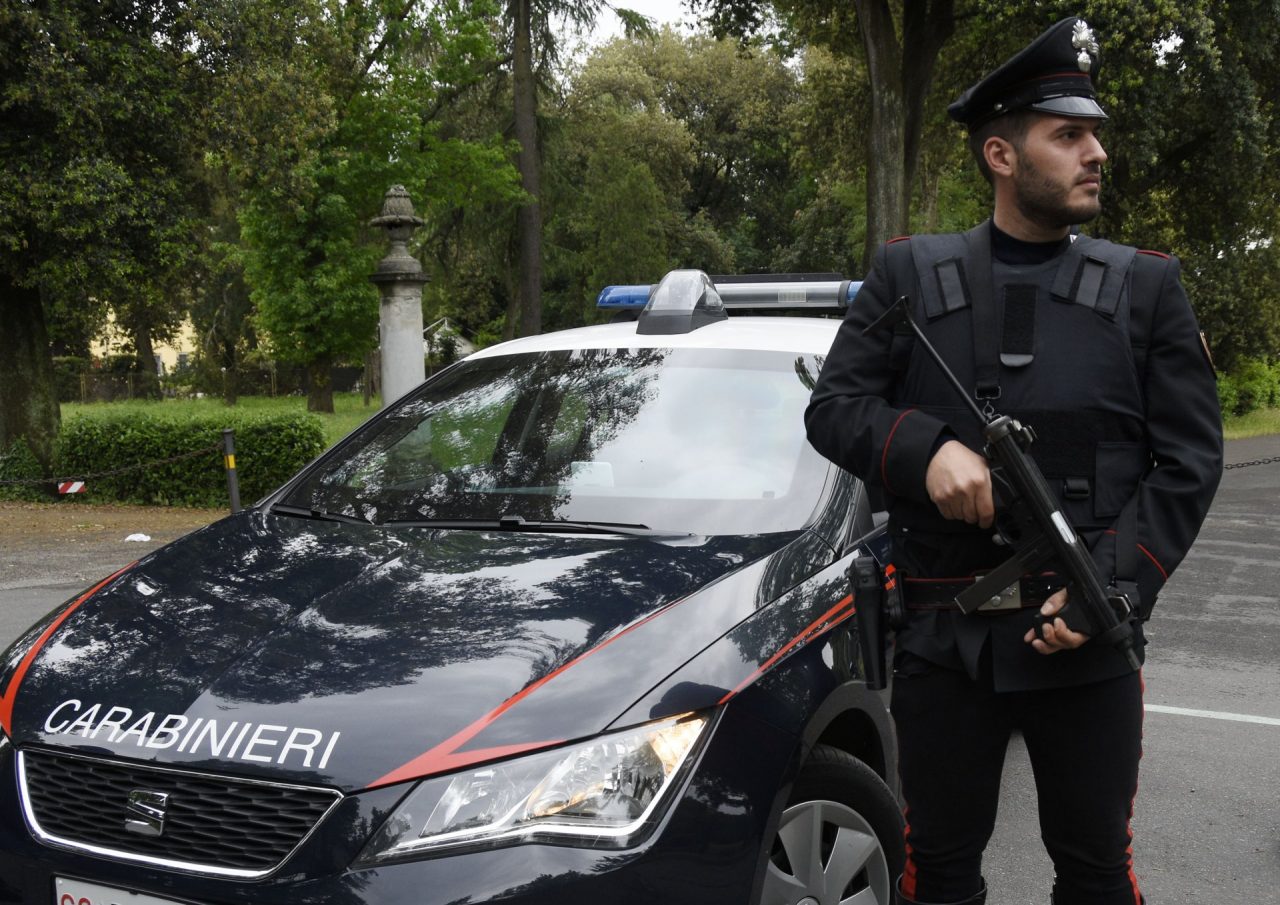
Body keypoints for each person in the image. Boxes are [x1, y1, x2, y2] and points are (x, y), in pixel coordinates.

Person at [804, 16, 1223, 905]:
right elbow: (834, 408)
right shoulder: (908, 275)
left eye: (1095, 134)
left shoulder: (1146, 287)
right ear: (1001, 154)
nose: (1095, 152)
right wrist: (926, 453)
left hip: (1088, 641)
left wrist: (1110, 585)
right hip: (943, 642)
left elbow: (1189, 459)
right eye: (1068, 135)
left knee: (1098, 872)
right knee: (940, 874)